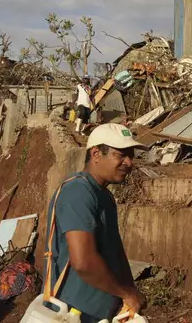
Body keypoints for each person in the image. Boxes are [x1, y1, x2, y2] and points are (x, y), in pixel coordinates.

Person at [43, 123, 148, 322]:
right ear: (96, 154)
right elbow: (83, 262)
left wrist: (129, 293)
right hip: (72, 312)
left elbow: (115, 252)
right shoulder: (78, 192)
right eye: (121, 155)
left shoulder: (104, 197)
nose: (129, 162)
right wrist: (126, 294)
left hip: (99, 310)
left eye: (131, 156)